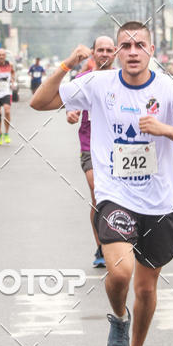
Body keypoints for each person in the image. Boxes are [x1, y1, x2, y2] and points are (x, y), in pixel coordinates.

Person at [31, 21, 173, 346]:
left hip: (159, 203)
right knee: (119, 272)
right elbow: (40, 102)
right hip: (115, 195)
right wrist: (68, 64)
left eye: (139, 45)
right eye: (125, 46)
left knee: (145, 290)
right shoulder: (99, 84)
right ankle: (118, 316)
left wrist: (166, 130)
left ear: (150, 50)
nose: (132, 52)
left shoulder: (169, 89)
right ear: (116, 51)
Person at [65, 36, 116, 268]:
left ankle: (122, 241)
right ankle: (101, 247)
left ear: (115, 52)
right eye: (100, 50)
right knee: (98, 194)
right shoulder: (82, 79)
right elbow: (71, 110)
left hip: (120, 148)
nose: (104, 54)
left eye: (109, 50)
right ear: (93, 52)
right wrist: (71, 114)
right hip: (90, 146)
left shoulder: (123, 78)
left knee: (120, 197)